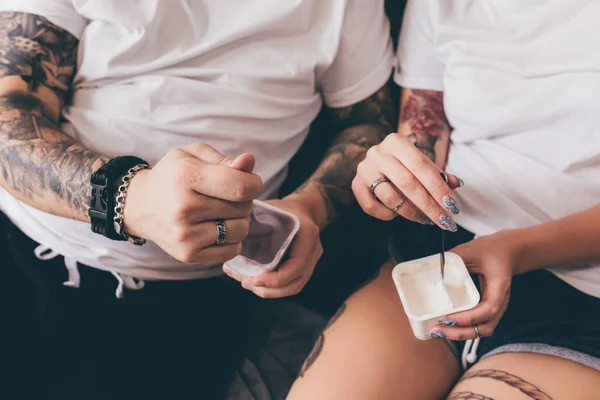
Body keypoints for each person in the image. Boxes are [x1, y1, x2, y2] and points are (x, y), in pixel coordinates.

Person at [0, 1, 397, 399]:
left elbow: (368, 121)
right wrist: (130, 197)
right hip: (26, 244)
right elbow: (8, 111)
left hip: (196, 295)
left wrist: (311, 207)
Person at [287, 0, 600, 399]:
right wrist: (394, 175)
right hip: (437, 262)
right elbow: (424, 129)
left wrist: (517, 249)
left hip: (580, 296)